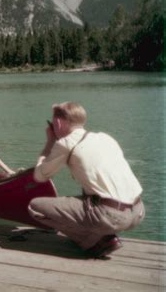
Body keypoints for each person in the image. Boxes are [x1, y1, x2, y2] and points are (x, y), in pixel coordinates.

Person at [28, 102, 144, 258]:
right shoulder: (105, 138)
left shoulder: (66, 143)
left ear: (58, 122)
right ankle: (102, 235)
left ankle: (96, 242)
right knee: (91, 195)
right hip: (138, 211)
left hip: (112, 216)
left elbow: (40, 176)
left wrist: (50, 142)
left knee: (34, 207)